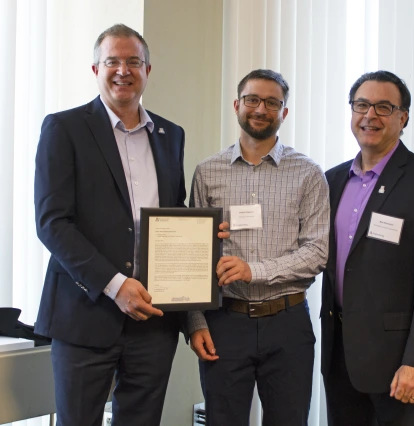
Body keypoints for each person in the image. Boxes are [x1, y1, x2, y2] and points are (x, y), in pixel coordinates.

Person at [34, 24, 227, 426]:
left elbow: (172, 213)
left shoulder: (170, 135)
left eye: (133, 61)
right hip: (85, 315)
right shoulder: (64, 128)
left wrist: (203, 237)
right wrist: (115, 285)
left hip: (154, 320)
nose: (123, 70)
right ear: (95, 69)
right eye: (113, 61)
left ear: (148, 70)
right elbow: (53, 223)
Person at [188, 69, 329, 425]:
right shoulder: (207, 172)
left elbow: (317, 251)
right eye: (252, 100)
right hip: (224, 323)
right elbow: (193, 254)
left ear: (284, 112)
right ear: (237, 105)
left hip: (287, 323)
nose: (261, 109)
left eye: (272, 102)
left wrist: (256, 270)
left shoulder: (309, 174)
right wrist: (194, 322)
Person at [321, 70, 414, 426]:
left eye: (384, 107)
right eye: (362, 105)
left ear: (404, 117)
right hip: (339, 357)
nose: (370, 115)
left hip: (399, 363)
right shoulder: (331, 180)